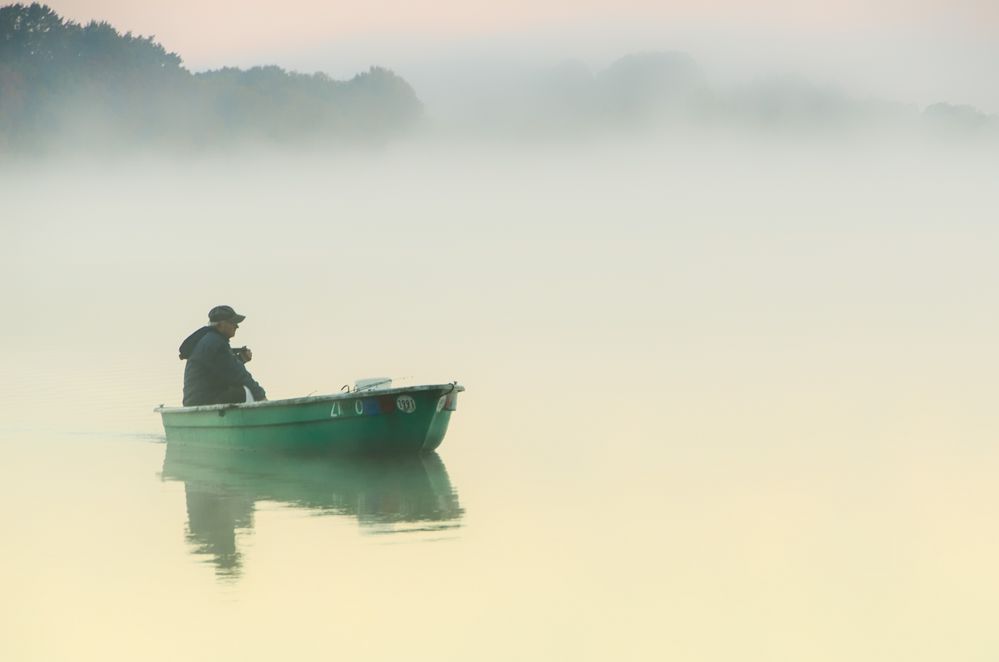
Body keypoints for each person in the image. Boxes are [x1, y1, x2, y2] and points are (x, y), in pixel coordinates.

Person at [178, 305, 267, 406]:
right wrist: (261, 396)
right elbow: (239, 374)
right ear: (221, 324)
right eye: (233, 322)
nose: (237, 326)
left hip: (195, 401)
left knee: (238, 389)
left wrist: (241, 358)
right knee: (244, 391)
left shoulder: (209, 340)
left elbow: (224, 367)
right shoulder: (216, 343)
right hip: (203, 401)